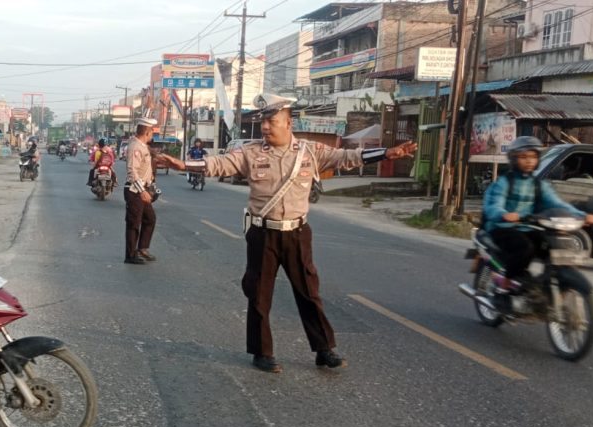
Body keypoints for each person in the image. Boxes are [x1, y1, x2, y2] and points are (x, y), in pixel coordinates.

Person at [161, 94, 417, 373]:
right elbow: (220, 164)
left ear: (288, 122)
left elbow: (347, 157)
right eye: (263, 122)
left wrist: (386, 153)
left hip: (297, 233)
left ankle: (323, 349)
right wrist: (185, 165)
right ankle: (262, 352)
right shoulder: (251, 152)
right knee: (259, 295)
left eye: (271, 121)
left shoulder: (310, 152)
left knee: (309, 292)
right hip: (263, 233)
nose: (266, 127)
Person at [481, 136, 593, 301]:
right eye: (523, 157)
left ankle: (545, 285)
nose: (529, 161)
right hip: (502, 227)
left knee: (550, 246)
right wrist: (504, 214)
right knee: (525, 248)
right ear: (514, 159)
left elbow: (557, 203)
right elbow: (494, 204)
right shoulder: (505, 182)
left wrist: (582, 215)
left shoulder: (538, 184)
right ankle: (504, 285)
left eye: (533, 156)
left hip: (527, 227)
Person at [124, 117, 159, 265]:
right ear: (147, 132)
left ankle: (142, 248)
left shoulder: (142, 145)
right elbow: (132, 171)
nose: (153, 134)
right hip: (135, 190)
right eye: (151, 131)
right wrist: (142, 191)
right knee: (134, 223)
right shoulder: (135, 147)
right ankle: (130, 255)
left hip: (143, 188)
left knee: (150, 219)